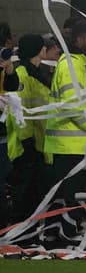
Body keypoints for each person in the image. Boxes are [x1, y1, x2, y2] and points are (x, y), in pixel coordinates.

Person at [45, 20, 86, 244]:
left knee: (66, 191)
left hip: (71, 144)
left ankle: (56, 233)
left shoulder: (77, 65)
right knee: (71, 192)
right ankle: (66, 234)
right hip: (69, 144)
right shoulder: (72, 66)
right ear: (79, 39)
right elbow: (73, 106)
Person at [7, 34, 56, 224]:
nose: (46, 49)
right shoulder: (23, 75)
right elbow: (18, 112)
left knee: (34, 196)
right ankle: (20, 233)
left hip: (40, 144)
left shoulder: (37, 74)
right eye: (43, 46)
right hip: (26, 147)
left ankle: (30, 233)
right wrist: (27, 141)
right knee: (24, 198)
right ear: (37, 49)